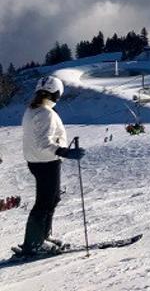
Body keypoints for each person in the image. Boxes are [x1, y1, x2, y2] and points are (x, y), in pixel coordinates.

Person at [18, 76, 85, 257]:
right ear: (56, 94)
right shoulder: (45, 113)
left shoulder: (32, 110)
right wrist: (64, 152)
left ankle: (42, 236)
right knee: (44, 202)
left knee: (52, 199)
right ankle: (33, 243)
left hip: (37, 161)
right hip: (46, 162)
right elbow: (43, 143)